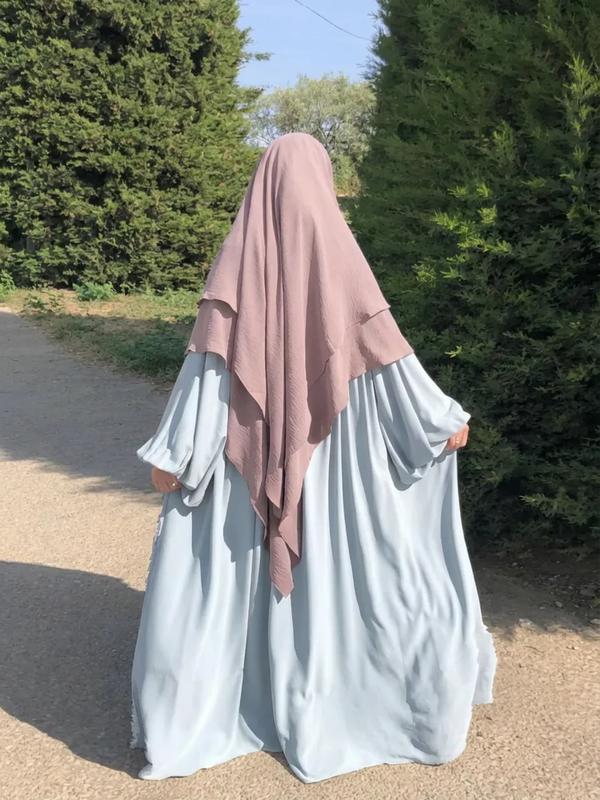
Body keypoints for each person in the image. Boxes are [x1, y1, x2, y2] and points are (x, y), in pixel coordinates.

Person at [129, 132, 497, 784]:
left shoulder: (234, 272)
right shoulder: (344, 268)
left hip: (243, 477)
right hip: (338, 481)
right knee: (367, 573)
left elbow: (207, 378)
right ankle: (349, 699)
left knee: (226, 570)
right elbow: (393, 369)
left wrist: (179, 456)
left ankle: (231, 703)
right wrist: (441, 424)